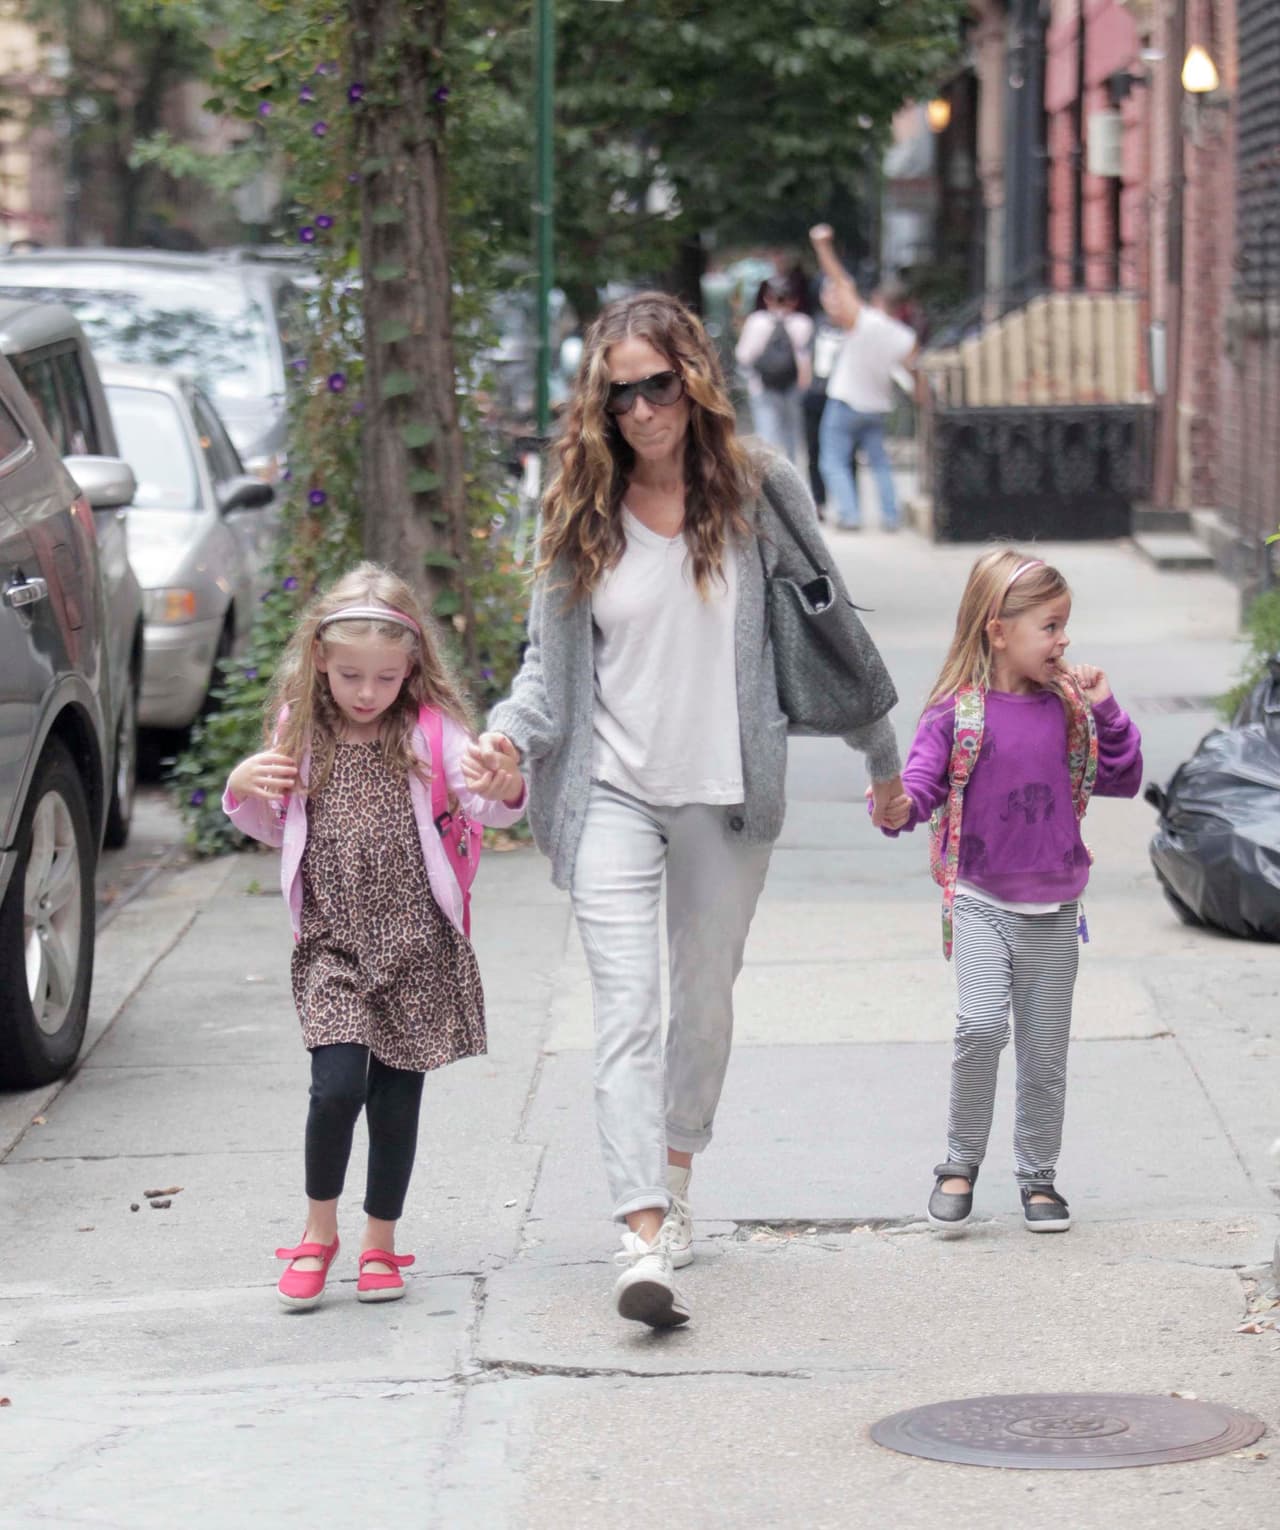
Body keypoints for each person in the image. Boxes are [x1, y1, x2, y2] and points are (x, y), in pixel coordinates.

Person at [462, 291, 904, 1330]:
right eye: (619, 395)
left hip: (722, 788)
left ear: (693, 379)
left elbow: (833, 631)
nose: (641, 410)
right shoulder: (579, 505)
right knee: (623, 1011)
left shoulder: (758, 490)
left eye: (657, 385)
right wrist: (505, 740)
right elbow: (545, 673)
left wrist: (883, 760)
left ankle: (677, 1167)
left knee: (700, 1002)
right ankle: (640, 1231)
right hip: (609, 788)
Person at [223, 563, 526, 1311]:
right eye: (350, 674)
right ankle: (318, 1231)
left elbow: (491, 811)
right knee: (334, 1090)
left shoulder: (432, 731)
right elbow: (273, 825)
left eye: (385, 677)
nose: (366, 692)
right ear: (320, 659)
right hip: (332, 941)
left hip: (418, 939)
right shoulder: (303, 728)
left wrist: (505, 784)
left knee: (395, 1100)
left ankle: (380, 1242)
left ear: (411, 668)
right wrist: (241, 787)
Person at [875, 549, 1143, 1234]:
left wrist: (1108, 709)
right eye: (1050, 626)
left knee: (1045, 1052)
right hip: (980, 898)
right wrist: (896, 805)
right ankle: (959, 1161)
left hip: (1056, 908)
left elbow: (1122, 777)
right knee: (982, 1025)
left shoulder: (1071, 709)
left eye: (1065, 626)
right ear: (999, 631)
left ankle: (1038, 1177)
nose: (1064, 641)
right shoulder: (955, 715)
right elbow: (922, 789)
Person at [809, 224, 917, 532]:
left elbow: (840, 281)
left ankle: (850, 514)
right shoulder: (905, 336)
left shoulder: (866, 321)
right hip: (877, 407)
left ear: (879, 301)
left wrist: (822, 246)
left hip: (846, 401)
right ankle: (891, 516)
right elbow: (914, 372)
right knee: (880, 464)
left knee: (833, 461)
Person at [734, 275, 813, 465]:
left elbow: (743, 355)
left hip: (762, 385)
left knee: (767, 434)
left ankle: (770, 479)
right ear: (793, 300)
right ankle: (791, 474)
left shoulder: (756, 322)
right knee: (792, 435)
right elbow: (806, 357)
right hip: (793, 386)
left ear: (767, 298)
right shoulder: (803, 323)